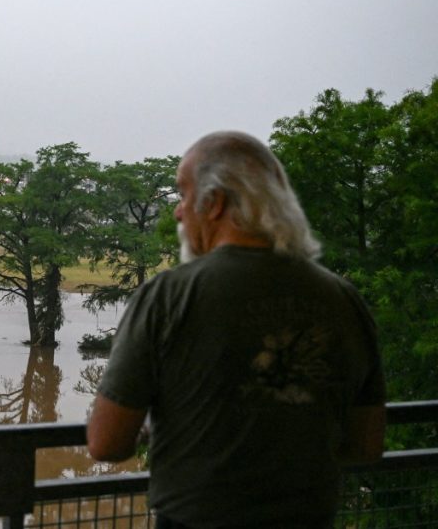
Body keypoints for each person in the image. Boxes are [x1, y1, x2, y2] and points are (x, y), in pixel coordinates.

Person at [87, 131, 385, 528]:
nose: (178, 212)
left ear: (215, 203)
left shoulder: (169, 294)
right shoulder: (343, 299)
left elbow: (106, 443)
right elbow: (365, 445)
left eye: (183, 194)